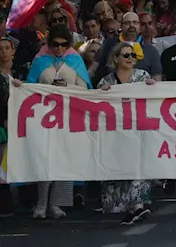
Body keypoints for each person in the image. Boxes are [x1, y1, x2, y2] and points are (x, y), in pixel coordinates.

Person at [22, 26, 89, 218]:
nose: (59, 49)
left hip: (68, 117)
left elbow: (84, 87)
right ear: (49, 44)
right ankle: (41, 203)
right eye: (55, 45)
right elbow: (30, 86)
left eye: (63, 45)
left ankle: (57, 204)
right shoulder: (40, 60)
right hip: (44, 118)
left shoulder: (75, 60)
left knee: (64, 159)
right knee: (45, 159)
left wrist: (66, 88)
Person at [97, 42, 158, 225]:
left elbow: (154, 97)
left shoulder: (142, 77)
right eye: (125, 55)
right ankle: (130, 209)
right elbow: (97, 103)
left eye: (132, 55)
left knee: (137, 166)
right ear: (116, 59)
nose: (130, 58)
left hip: (138, 130)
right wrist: (102, 93)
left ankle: (138, 205)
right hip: (114, 133)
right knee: (120, 170)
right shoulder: (106, 81)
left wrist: (153, 87)